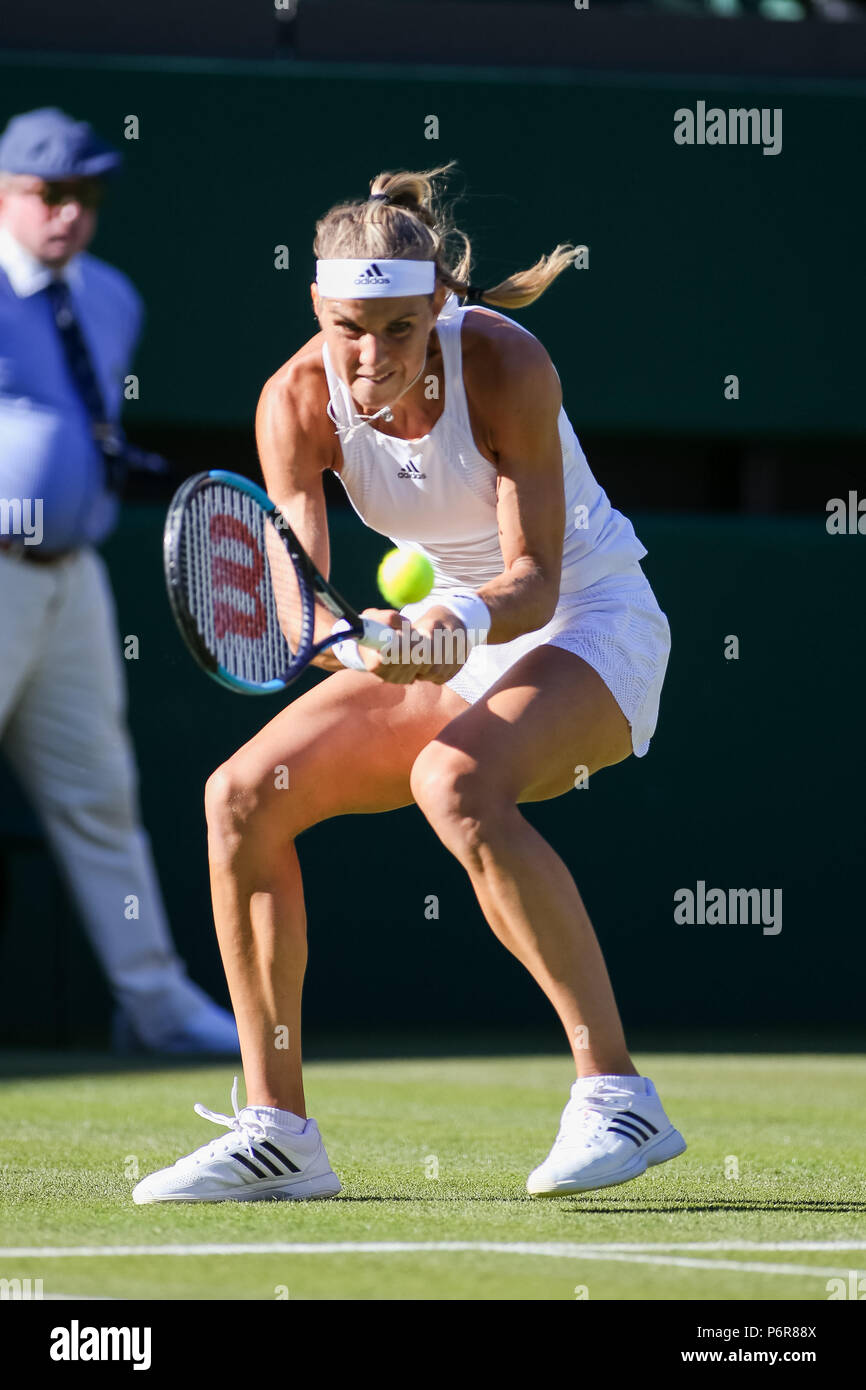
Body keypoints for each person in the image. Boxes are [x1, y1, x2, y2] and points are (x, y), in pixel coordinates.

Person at [133, 161, 685, 1202]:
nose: (370, 356)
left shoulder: (505, 364)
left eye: (397, 328)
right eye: (349, 327)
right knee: (239, 798)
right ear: (314, 309)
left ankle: (618, 1095)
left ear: (439, 303)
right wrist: (362, 642)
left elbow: (532, 580)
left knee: (453, 782)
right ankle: (278, 1132)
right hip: (448, 638)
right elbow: (302, 600)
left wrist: (450, 620)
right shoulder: (293, 401)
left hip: (589, 623)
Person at [0, 107, 239, 1055]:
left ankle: (152, 1003)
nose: (69, 215)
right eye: (48, 194)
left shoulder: (113, 299)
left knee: (103, 795)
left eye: (86, 197)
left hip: (73, 584)